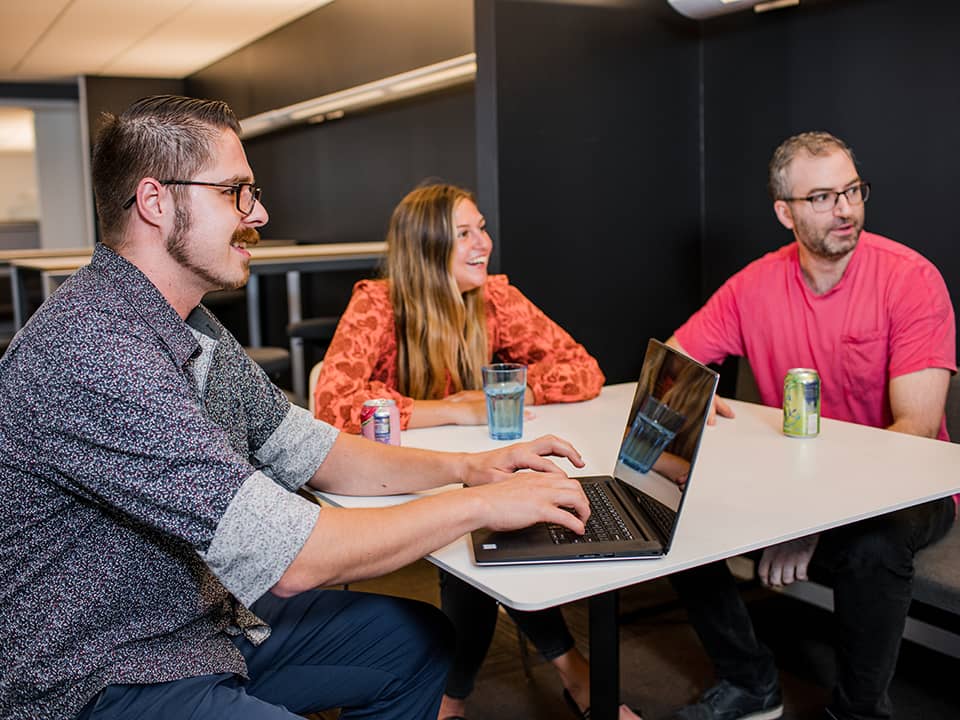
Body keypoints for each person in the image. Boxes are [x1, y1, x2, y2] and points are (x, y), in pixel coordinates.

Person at [0, 96, 601, 720]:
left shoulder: (189, 325)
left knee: (420, 644)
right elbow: (294, 558)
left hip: (197, 625)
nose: (258, 212)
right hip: (98, 673)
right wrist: (481, 505)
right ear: (155, 202)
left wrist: (472, 469)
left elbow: (314, 449)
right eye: (236, 191)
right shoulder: (94, 347)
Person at [314, 183, 639, 720]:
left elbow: (583, 368)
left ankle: (456, 696)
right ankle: (575, 676)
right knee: (488, 531)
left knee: (498, 526)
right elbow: (332, 401)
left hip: (478, 467)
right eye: (464, 233)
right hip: (403, 478)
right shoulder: (377, 302)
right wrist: (455, 409)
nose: (482, 242)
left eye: (481, 228)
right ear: (426, 247)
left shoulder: (494, 298)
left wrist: (507, 396)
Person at [664, 131, 956, 720]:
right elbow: (672, 370)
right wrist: (699, 395)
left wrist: (809, 520)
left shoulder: (910, 278)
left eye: (852, 190)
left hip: (909, 488)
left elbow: (917, 432)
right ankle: (750, 682)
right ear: (784, 212)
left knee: (873, 546)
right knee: (673, 499)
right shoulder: (753, 285)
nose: (845, 209)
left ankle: (859, 711)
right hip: (792, 481)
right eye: (821, 197)